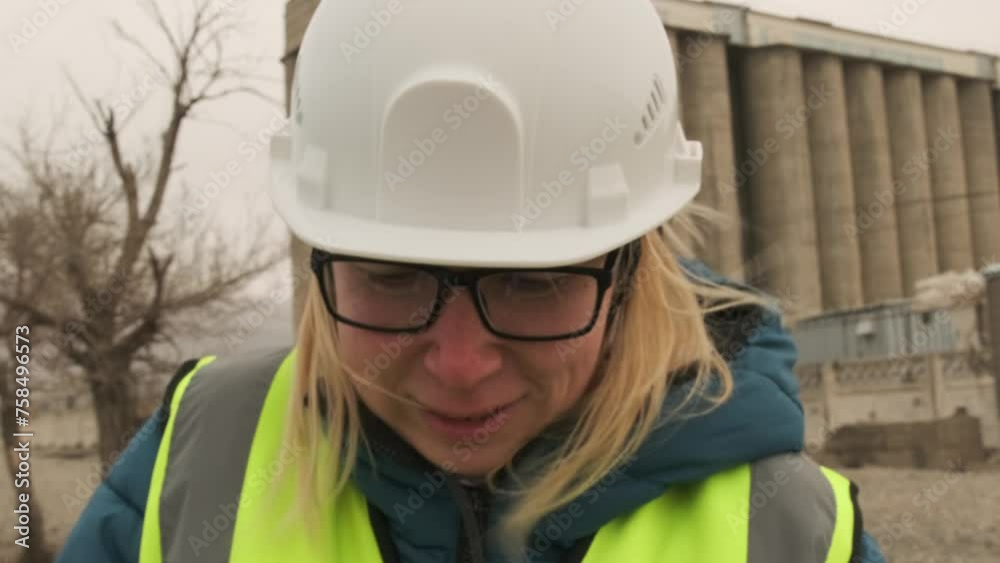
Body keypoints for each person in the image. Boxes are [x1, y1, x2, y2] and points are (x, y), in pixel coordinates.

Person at [57, 0, 888, 561]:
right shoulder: (201, 457)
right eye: (389, 278)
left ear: (636, 268)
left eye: (533, 285)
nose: (458, 365)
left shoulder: (786, 530)